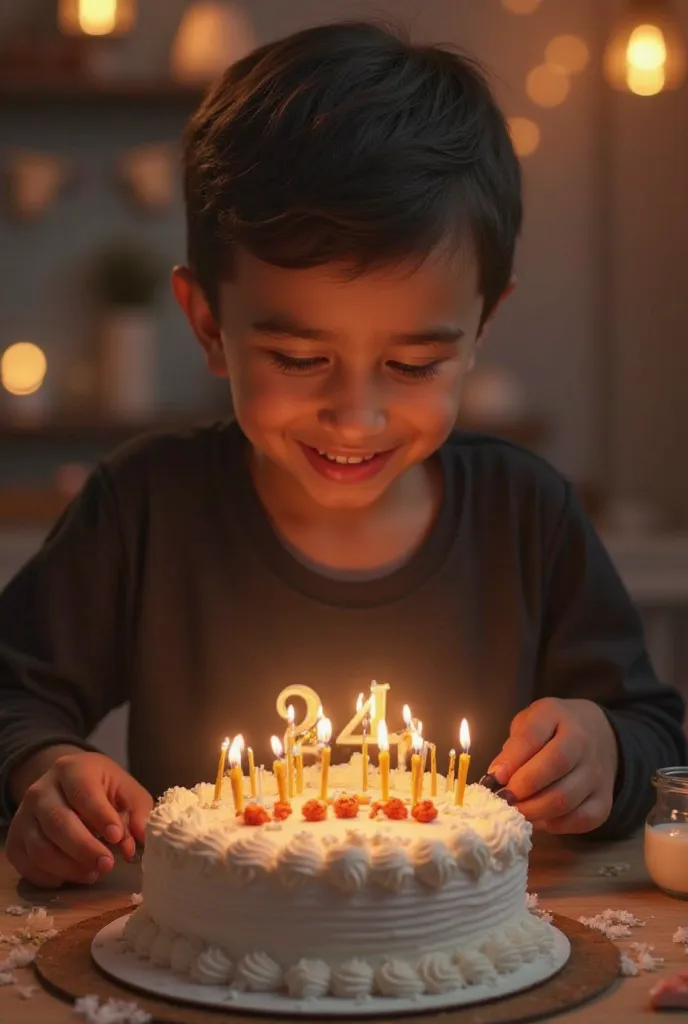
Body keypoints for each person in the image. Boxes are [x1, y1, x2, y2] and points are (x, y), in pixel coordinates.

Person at [0, 21, 685, 890]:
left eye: (412, 364)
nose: (355, 416)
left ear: (480, 330)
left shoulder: (527, 512)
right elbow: (13, 693)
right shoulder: (144, 507)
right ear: (210, 325)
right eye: (298, 359)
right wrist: (43, 768)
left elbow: (656, 733)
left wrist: (605, 752)